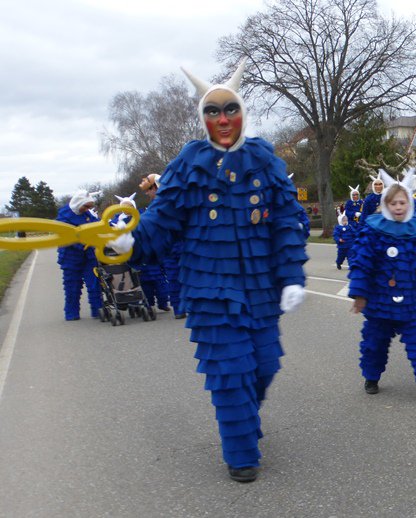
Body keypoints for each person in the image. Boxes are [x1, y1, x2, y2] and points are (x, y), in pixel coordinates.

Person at [108, 61, 308, 483]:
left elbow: (287, 222)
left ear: (242, 113)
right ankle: (241, 455)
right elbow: (163, 219)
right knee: (230, 373)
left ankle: (243, 422)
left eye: (230, 109)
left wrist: (292, 276)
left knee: (265, 366)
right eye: (213, 111)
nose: (222, 119)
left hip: (259, 288)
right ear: (202, 118)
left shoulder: (264, 159)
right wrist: (132, 242)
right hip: (208, 289)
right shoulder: (189, 162)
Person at [348, 168, 416, 401]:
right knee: (374, 343)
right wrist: (359, 295)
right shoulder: (373, 230)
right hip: (379, 303)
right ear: (385, 204)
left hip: (411, 303)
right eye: (393, 203)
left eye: (402, 202)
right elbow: (362, 263)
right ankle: (371, 376)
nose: (398, 207)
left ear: (409, 203)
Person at [56, 190, 103, 321]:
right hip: (70, 257)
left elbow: (99, 225)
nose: (88, 209)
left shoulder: (88, 215)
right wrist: (80, 243)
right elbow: (64, 235)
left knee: (94, 284)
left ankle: (98, 310)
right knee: (72, 286)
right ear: (78, 203)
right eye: (86, 206)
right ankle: (71, 313)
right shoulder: (63, 216)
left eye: (89, 207)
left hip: (89, 256)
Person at [136, 174, 170, 312]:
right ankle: (150, 304)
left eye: (149, 189)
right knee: (154, 278)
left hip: (170, 245)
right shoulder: (152, 206)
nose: (146, 192)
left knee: (163, 279)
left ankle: (167, 302)